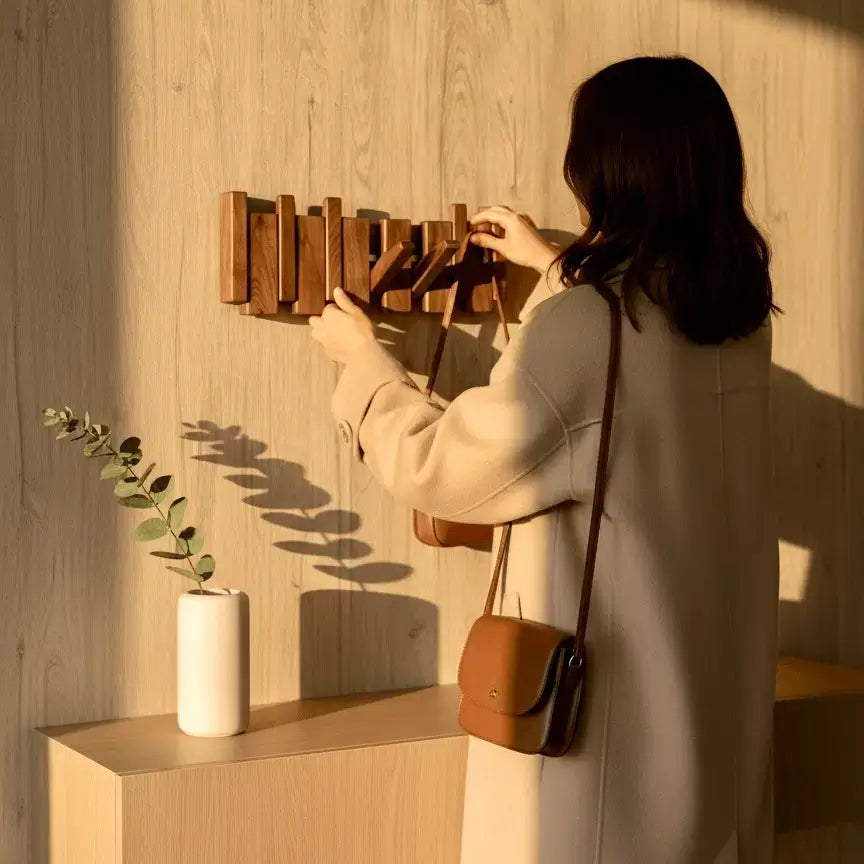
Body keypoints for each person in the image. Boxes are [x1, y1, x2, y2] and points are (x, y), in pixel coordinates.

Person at [310, 55, 779, 864]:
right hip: (710, 734)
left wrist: (363, 365)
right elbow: (625, 375)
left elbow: (437, 465)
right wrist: (554, 263)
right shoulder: (737, 319)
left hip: (605, 760)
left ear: (604, 170)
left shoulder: (584, 332)